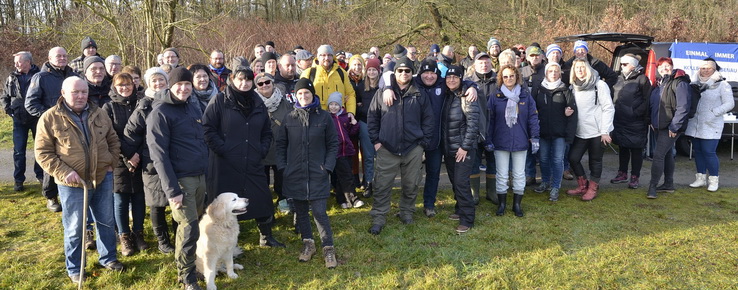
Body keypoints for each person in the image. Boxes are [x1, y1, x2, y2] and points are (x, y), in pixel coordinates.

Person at [35, 76, 124, 283]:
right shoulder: (50, 118)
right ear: (63, 93)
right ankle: (75, 267)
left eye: (84, 92)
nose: (81, 96)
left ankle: (108, 258)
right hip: (72, 184)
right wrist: (64, 172)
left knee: (106, 221)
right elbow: (43, 153)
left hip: (102, 178)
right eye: (75, 92)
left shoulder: (99, 113)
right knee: (75, 227)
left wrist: (110, 161)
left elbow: (113, 139)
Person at [203, 68, 285, 249]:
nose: (245, 83)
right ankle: (223, 242)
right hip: (225, 163)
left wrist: (261, 149)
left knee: (261, 199)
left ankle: (266, 236)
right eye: (241, 79)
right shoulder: (220, 101)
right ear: (232, 79)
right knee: (223, 205)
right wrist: (223, 149)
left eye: (249, 80)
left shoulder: (257, 102)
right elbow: (208, 129)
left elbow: (266, 130)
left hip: (252, 159)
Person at [147, 67, 208, 288]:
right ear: (170, 86)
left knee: (195, 226)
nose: (184, 88)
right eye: (179, 84)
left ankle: (191, 267)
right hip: (181, 181)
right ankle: (186, 277)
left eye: (187, 85)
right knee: (188, 227)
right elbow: (159, 156)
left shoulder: (192, 108)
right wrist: (173, 191)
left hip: (200, 177)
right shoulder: (160, 113)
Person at [276, 78, 339, 269]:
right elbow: (280, 145)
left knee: (320, 212)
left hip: (317, 172)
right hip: (295, 173)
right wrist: (283, 167)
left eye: (307, 93)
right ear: (295, 95)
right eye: (300, 93)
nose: (303, 96)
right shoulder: (289, 118)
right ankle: (308, 243)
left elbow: (333, 144)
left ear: (313, 95)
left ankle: (328, 248)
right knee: (301, 212)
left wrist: (327, 167)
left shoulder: (324, 117)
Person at [367, 57, 434, 234]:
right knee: (382, 184)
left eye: (407, 71)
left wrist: (423, 144)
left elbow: (428, 120)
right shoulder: (382, 93)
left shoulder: (420, 94)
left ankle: (406, 212)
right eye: (400, 71)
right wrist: (376, 141)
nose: (404, 74)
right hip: (387, 147)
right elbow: (372, 118)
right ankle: (379, 215)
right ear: (395, 73)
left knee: (411, 183)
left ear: (413, 73)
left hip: (413, 148)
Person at [122, 67, 175, 254]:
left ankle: (179, 235)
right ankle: (162, 240)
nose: (159, 83)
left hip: (175, 159)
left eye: (162, 80)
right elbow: (129, 133)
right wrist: (133, 155)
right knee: (157, 203)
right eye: (154, 80)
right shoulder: (144, 105)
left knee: (177, 201)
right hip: (151, 162)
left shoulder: (174, 100)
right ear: (148, 83)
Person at [25, 46, 77, 213]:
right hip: (52, 126)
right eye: (58, 56)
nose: (62, 58)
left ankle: (72, 189)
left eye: (64, 55)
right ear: (49, 58)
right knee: (52, 161)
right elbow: (30, 103)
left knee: (72, 157)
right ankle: (50, 196)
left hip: (75, 124)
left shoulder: (73, 75)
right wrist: (49, 116)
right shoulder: (40, 77)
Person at [102, 73, 147, 256]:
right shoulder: (109, 107)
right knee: (120, 199)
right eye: (121, 85)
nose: (125, 88)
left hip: (141, 157)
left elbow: (148, 130)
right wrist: (127, 155)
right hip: (119, 160)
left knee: (139, 197)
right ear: (114, 86)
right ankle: (124, 236)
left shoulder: (142, 103)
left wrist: (138, 154)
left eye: (128, 84)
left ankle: (138, 233)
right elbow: (109, 134)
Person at [487, 64, 539, 217]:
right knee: (502, 174)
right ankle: (502, 204)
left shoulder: (525, 96)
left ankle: (517, 204)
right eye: (505, 76)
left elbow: (533, 117)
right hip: (500, 140)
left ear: (517, 77)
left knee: (519, 174)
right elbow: (490, 120)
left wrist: (535, 136)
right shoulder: (495, 96)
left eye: (511, 76)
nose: (509, 79)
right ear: (501, 79)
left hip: (520, 140)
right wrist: (488, 139)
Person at [565, 59, 614, 201]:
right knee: (573, 158)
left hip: (598, 131)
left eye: (582, 67)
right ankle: (582, 185)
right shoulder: (573, 87)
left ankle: (593, 188)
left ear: (588, 68)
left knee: (595, 161)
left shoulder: (599, 85)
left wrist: (605, 131)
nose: (580, 70)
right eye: (577, 68)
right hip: (581, 131)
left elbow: (608, 108)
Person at [685, 58, 735, 192]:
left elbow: (730, 103)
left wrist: (714, 112)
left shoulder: (722, 84)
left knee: (709, 152)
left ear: (714, 69)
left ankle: (713, 179)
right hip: (695, 123)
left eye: (709, 68)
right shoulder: (694, 83)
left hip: (711, 124)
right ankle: (700, 178)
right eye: (703, 68)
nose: (705, 70)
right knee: (698, 152)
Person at [441, 65, 480, 233]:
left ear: (461, 79)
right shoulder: (447, 95)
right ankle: (459, 209)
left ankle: (467, 218)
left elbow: (473, 124)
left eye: (455, 77)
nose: (451, 80)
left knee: (461, 182)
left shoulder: (467, 95)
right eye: (449, 77)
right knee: (454, 180)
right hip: (449, 147)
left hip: (463, 148)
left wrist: (465, 146)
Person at [646, 58, 691, 199]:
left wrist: (674, 127)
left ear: (672, 67)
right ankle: (668, 184)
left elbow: (683, 107)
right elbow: (654, 105)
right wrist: (651, 121)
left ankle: (652, 187)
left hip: (670, 127)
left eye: (667, 66)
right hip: (659, 126)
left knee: (658, 155)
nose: (664, 68)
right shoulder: (660, 83)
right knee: (666, 154)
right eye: (661, 66)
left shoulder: (680, 83)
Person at [533, 62, 577, 201]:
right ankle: (545, 182)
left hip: (560, 133)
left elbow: (572, 112)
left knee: (558, 160)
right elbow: (532, 110)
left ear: (560, 73)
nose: (553, 73)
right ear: (546, 73)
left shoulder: (565, 90)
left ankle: (555, 186)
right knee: (544, 159)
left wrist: (569, 134)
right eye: (550, 71)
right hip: (543, 132)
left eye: (556, 71)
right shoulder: (539, 90)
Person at [609, 54, 652, 189]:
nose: (622, 66)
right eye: (621, 64)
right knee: (623, 147)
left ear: (633, 65)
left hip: (636, 121)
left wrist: (635, 113)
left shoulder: (642, 79)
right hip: (620, 120)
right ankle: (622, 173)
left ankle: (635, 176)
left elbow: (647, 100)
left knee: (636, 150)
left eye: (625, 64)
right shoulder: (618, 78)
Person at [2, 51, 42, 191]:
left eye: (18, 61)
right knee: (19, 151)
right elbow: (4, 97)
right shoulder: (11, 78)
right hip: (18, 120)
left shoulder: (39, 76)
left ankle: (41, 176)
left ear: (28, 62)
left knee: (40, 149)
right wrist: (8, 111)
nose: (16, 64)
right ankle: (18, 180)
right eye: (15, 62)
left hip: (37, 119)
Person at [255, 71, 293, 215]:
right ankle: (265, 206)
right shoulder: (252, 103)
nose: (264, 85)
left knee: (281, 178)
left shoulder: (284, 102)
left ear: (272, 83)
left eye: (267, 82)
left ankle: (282, 200)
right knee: (262, 180)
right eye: (260, 83)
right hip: (261, 148)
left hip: (280, 147)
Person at [465, 52, 497, 204]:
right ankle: (474, 193)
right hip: (475, 128)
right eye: (480, 63)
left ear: (491, 64)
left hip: (495, 129)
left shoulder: (499, 81)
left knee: (493, 162)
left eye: (486, 62)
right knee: (474, 162)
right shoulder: (468, 82)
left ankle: (492, 192)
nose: (484, 65)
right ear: (474, 65)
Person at [326, 92, 364, 209]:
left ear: (341, 106)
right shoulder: (327, 118)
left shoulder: (345, 117)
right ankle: (353, 199)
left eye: (336, 104)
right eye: (331, 104)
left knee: (340, 177)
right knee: (347, 176)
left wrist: (354, 125)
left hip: (347, 150)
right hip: (336, 152)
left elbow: (351, 133)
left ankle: (341, 200)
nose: (333, 107)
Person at [300, 45, 357, 115]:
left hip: (338, 118)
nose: (326, 58)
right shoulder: (308, 73)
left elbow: (350, 94)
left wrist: (351, 112)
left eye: (329, 55)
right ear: (318, 57)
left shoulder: (341, 73)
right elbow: (301, 96)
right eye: (323, 55)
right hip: (316, 117)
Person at [355, 58, 381, 198]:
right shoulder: (360, 87)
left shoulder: (382, 88)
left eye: (374, 70)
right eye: (369, 69)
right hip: (365, 124)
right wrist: (361, 108)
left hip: (380, 125)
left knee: (381, 156)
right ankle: (369, 182)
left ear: (378, 71)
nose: (371, 72)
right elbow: (357, 104)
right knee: (368, 156)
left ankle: (380, 183)